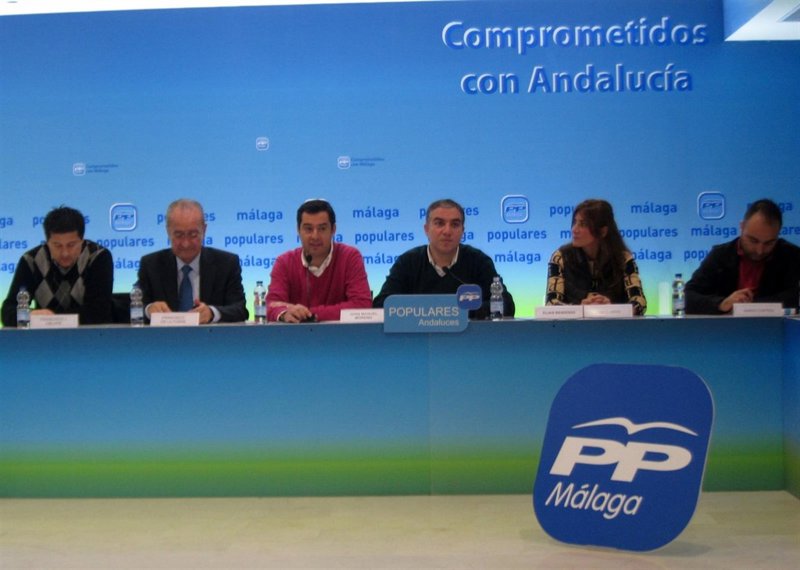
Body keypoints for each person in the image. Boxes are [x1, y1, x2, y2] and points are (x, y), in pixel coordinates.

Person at [372, 198, 514, 319]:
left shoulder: (478, 261)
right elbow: (381, 305)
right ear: (426, 229)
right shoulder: (408, 262)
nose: (447, 231)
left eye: (455, 224)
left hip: (468, 340)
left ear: (463, 231)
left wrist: (456, 312)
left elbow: (506, 305)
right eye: (439, 223)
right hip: (418, 339)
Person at [138, 199, 248, 323]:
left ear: (204, 230)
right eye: (179, 235)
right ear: (168, 231)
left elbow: (240, 310)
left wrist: (212, 313)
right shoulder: (151, 265)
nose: (186, 243)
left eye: (193, 235)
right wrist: (149, 309)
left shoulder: (226, 264)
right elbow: (131, 306)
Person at [1, 206, 114, 326]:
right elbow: (8, 311)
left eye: (71, 245)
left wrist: (51, 319)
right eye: (57, 245)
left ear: (82, 240)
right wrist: (30, 315)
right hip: (44, 336)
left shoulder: (97, 257)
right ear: (47, 242)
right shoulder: (32, 261)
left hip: (89, 335)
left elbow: (99, 313)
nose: (65, 253)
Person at [685, 199, 800, 314]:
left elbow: (794, 296)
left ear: (778, 233)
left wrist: (750, 306)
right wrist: (721, 303)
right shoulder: (720, 255)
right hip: (726, 325)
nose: (760, 250)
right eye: (753, 241)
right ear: (742, 227)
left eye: (769, 243)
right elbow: (688, 297)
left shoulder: (792, 256)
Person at [267, 199, 372, 322]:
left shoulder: (350, 257)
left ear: (333, 230)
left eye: (322, 229)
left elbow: (362, 305)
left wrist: (309, 314)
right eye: (308, 229)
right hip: (296, 334)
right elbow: (271, 306)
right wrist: (285, 313)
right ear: (298, 230)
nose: (315, 236)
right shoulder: (284, 262)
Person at [546, 199, 646, 315]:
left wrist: (611, 309)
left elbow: (640, 302)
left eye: (583, 224)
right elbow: (551, 304)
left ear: (603, 231)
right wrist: (580, 309)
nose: (574, 229)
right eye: (575, 222)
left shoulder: (623, 259)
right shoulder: (561, 257)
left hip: (614, 325)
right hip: (573, 325)